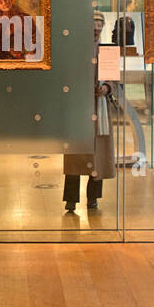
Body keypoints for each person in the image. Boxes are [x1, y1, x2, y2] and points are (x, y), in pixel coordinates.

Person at [63, 12, 117, 213]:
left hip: (99, 107)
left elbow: (113, 79)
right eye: (93, 28)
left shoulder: (107, 50)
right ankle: (71, 199)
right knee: (76, 154)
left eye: (99, 27)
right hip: (79, 106)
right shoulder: (75, 51)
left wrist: (106, 88)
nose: (96, 31)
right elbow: (67, 76)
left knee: (98, 156)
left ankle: (93, 197)